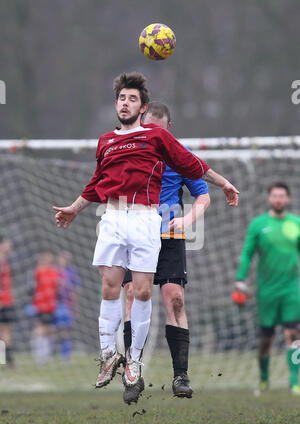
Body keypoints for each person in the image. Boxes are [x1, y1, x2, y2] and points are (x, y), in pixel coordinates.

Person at [53, 72, 239, 405]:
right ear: (116, 103)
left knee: (141, 291)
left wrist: (223, 183)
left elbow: (192, 163)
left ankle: (135, 363)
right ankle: (109, 354)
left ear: (143, 107)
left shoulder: (155, 136)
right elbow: (97, 182)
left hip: (144, 218)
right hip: (111, 217)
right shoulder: (105, 141)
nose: (125, 103)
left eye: (132, 99)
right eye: (121, 98)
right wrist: (75, 208)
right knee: (111, 288)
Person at [122, 102, 210, 401]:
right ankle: (133, 372)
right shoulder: (129, 149)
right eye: (149, 129)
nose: (154, 136)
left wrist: (187, 219)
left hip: (169, 235)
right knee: (133, 293)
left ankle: (181, 376)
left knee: (174, 297)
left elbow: (203, 196)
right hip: (135, 234)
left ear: (168, 131)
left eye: (160, 131)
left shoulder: (180, 156)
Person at [234, 182, 300, 395]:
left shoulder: (296, 223)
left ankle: (294, 383)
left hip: (292, 288)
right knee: (266, 339)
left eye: (282, 195)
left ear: (288, 199)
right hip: (266, 291)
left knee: (293, 333)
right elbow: (247, 253)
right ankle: (263, 380)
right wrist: (240, 279)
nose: (279, 199)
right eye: (275, 195)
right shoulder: (258, 224)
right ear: (269, 199)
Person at [29, 252, 60, 365]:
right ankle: (39, 355)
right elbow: (33, 287)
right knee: (40, 329)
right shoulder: (38, 271)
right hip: (40, 305)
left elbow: (56, 287)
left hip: (51, 305)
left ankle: (46, 355)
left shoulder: (54, 271)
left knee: (49, 330)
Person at [53, 251, 80, 362]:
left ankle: (65, 355)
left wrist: (74, 305)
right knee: (53, 329)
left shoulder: (72, 272)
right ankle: (49, 353)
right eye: (62, 258)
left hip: (66, 304)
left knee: (66, 330)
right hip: (55, 304)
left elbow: (75, 290)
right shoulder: (54, 271)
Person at [0, 236, 15, 367]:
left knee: (6, 331)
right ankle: (7, 361)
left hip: (7, 301)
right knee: (5, 331)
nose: (9, 246)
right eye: (7, 243)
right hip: (3, 302)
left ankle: (5, 360)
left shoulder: (5, 260)